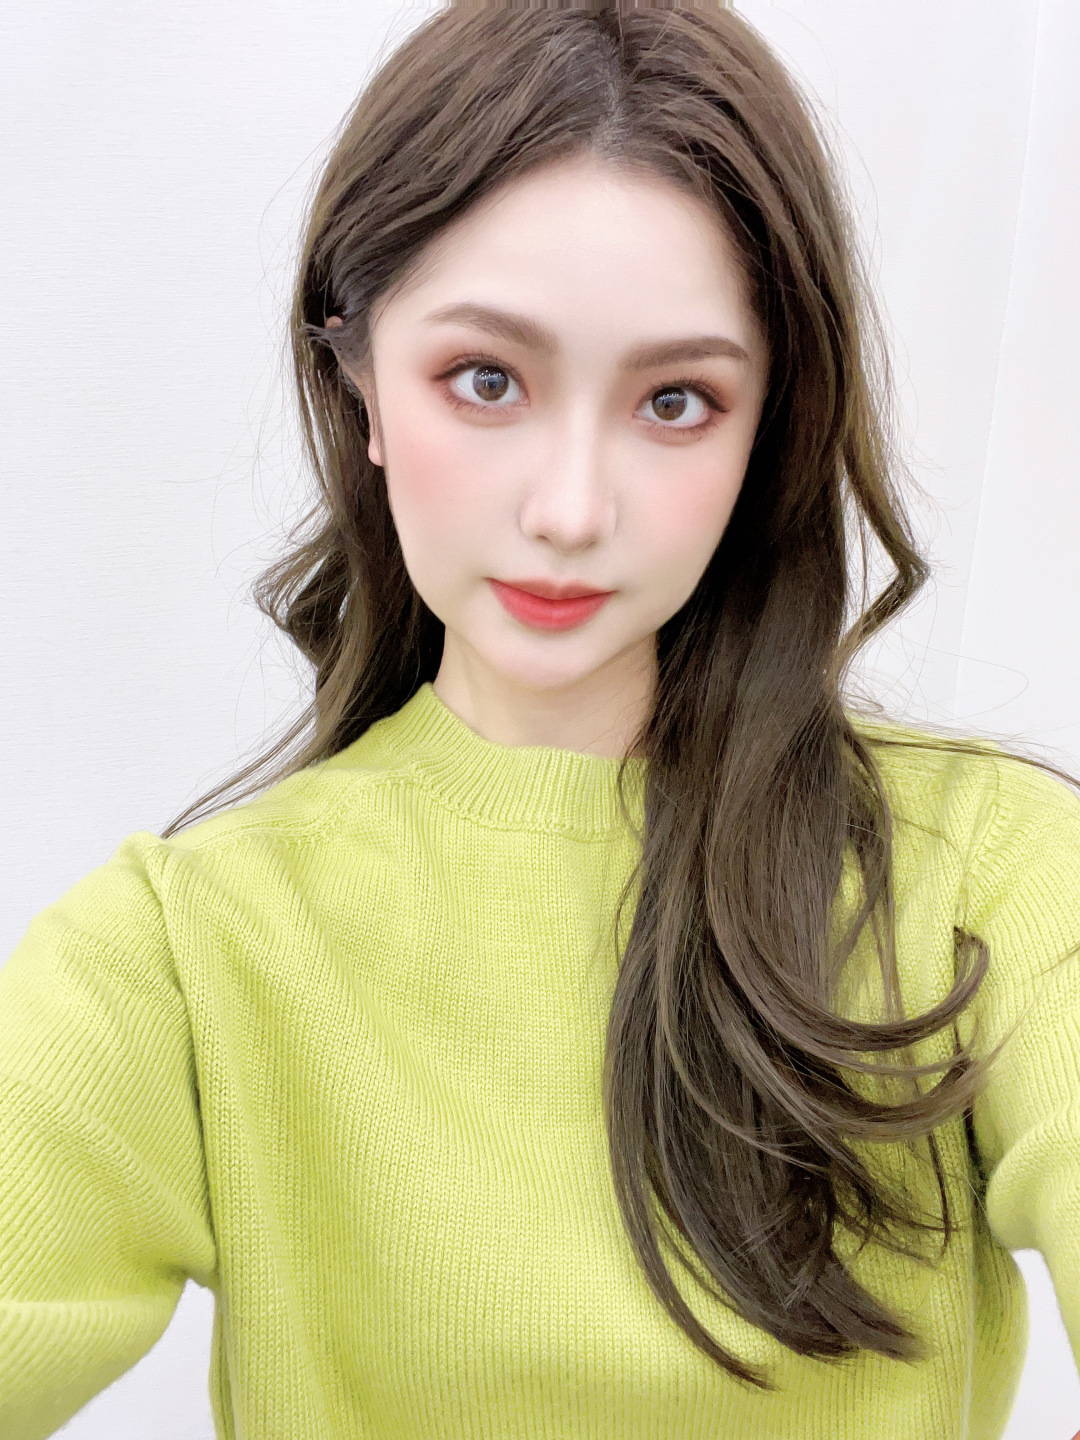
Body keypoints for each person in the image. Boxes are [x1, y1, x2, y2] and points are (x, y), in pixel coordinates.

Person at [2, 3, 1078, 1437]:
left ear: (770, 425)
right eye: (487, 381)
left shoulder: (991, 873)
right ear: (357, 382)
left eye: (677, 401)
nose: (571, 509)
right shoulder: (184, 949)